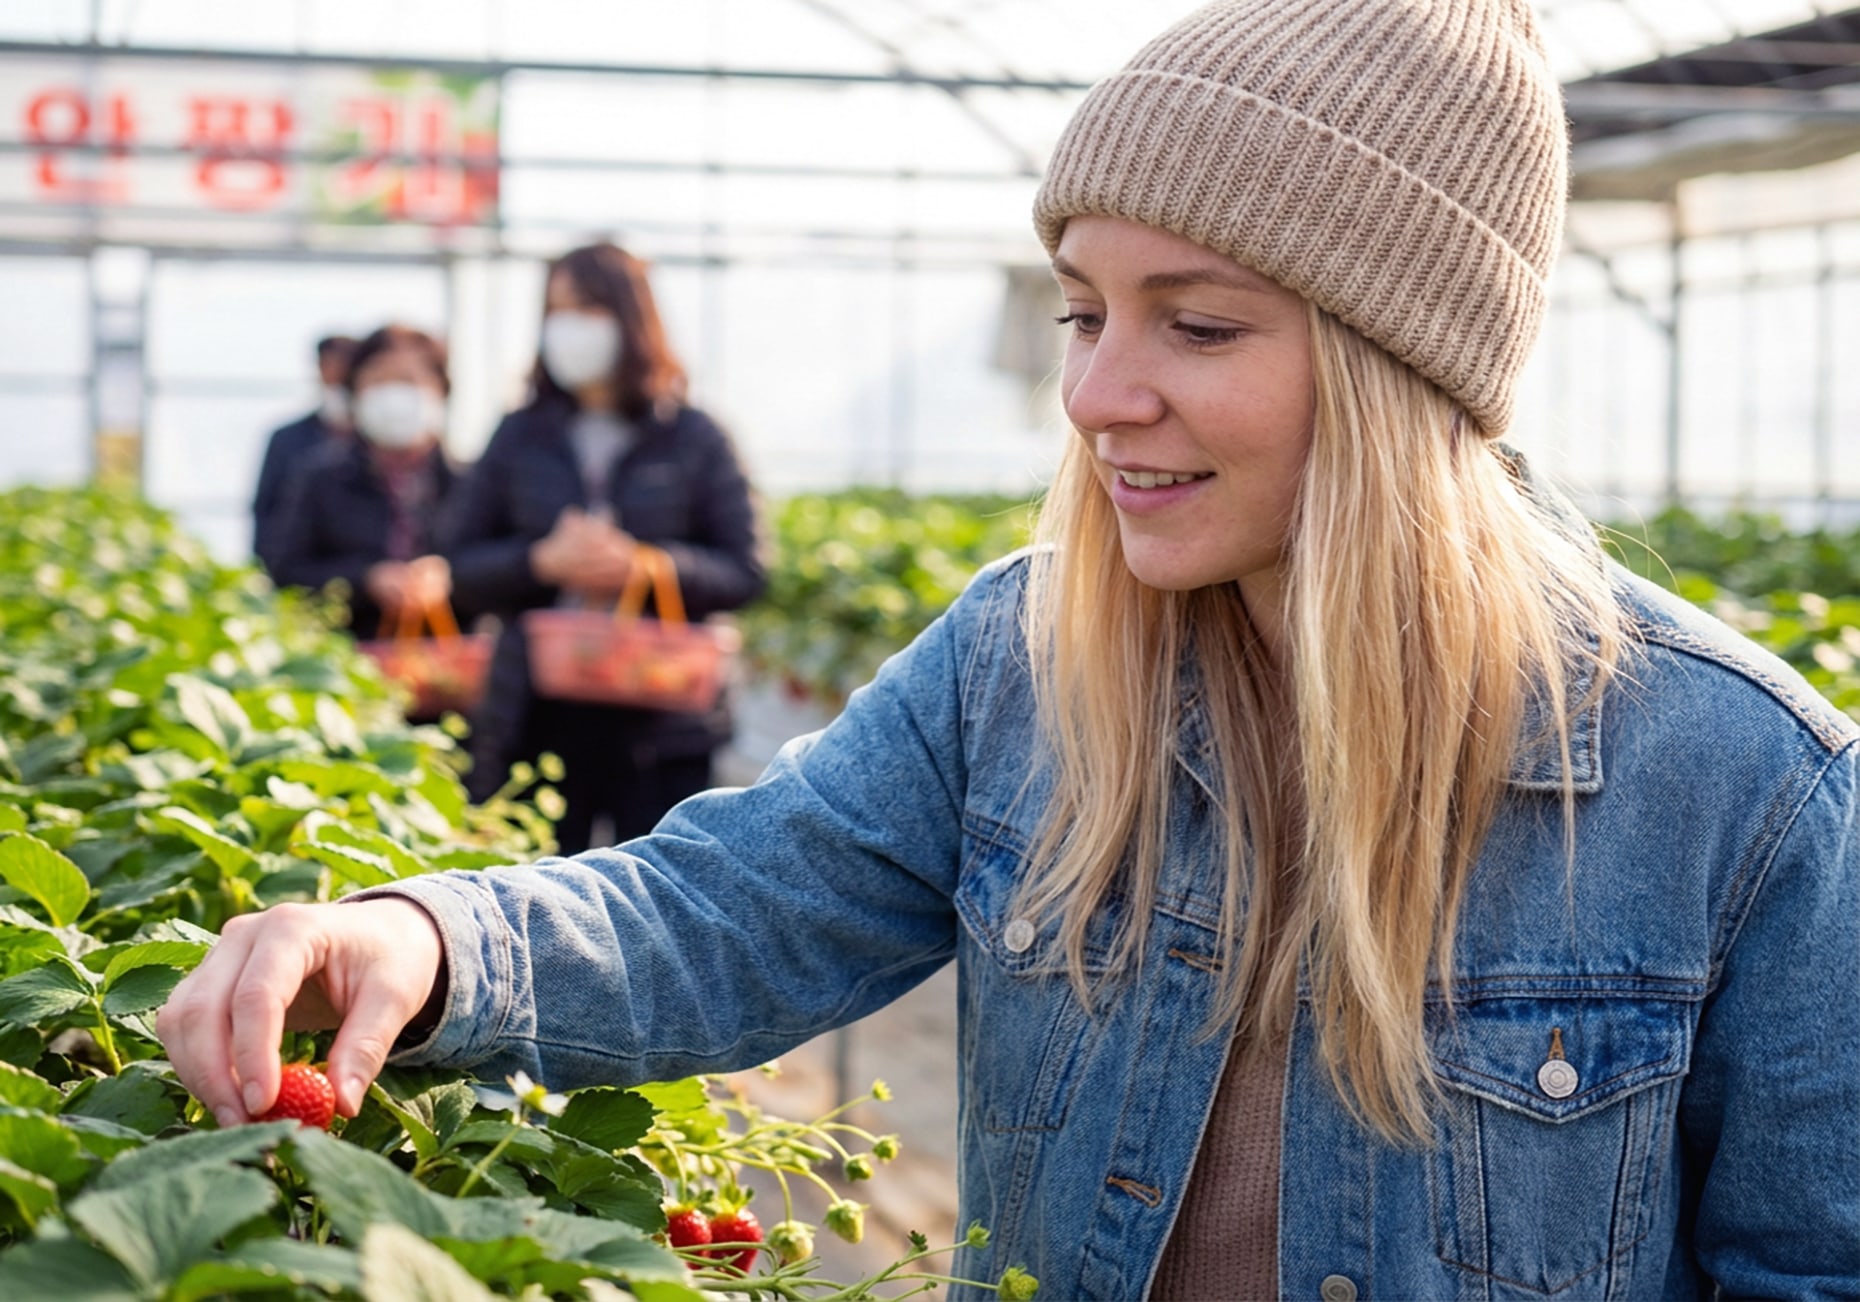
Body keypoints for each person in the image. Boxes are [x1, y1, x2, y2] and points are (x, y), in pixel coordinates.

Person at [158, 4, 1859, 1299]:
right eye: (1081, 310)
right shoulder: (1026, 664)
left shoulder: (1745, 792)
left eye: (1198, 323)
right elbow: (730, 905)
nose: (1098, 393)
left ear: (1403, 372)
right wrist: (424, 937)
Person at [437, 241, 764, 854]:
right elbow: (458, 566)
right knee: (538, 882)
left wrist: (648, 565)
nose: (569, 328)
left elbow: (746, 571)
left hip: (662, 717)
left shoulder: (695, 437)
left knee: (658, 882)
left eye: (587, 309)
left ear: (631, 319)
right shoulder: (519, 435)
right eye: (557, 310)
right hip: (538, 712)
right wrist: (539, 562)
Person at [267, 324, 457, 640]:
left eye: (408, 380)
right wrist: (364, 579)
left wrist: (448, 577)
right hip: (344, 651)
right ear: (355, 393)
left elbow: (498, 570)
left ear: (440, 390)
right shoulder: (320, 479)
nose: (394, 396)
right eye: (379, 381)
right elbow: (283, 571)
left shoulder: (469, 481)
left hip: (449, 658)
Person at [253, 334, 358, 577]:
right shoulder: (287, 439)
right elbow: (266, 511)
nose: (336, 376)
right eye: (328, 366)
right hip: (299, 575)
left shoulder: (378, 452)